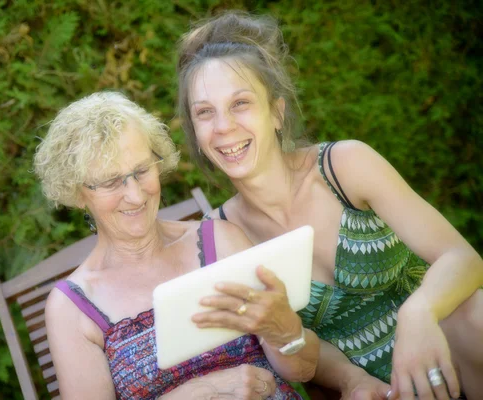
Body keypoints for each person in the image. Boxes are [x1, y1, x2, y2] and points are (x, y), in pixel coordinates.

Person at [176, 11, 483, 400]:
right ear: (196, 132)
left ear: (276, 111)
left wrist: (418, 314)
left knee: (476, 314)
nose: (223, 127)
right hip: (370, 390)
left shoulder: (343, 167)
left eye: (240, 103)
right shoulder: (220, 234)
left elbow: (462, 258)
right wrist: (352, 381)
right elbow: (283, 340)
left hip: (447, 344)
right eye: (205, 112)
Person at [34, 91, 319, 399]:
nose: (136, 195)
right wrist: (204, 390)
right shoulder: (72, 308)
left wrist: (286, 332)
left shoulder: (220, 241)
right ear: (78, 194)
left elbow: (303, 370)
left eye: (141, 171)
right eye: (110, 182)